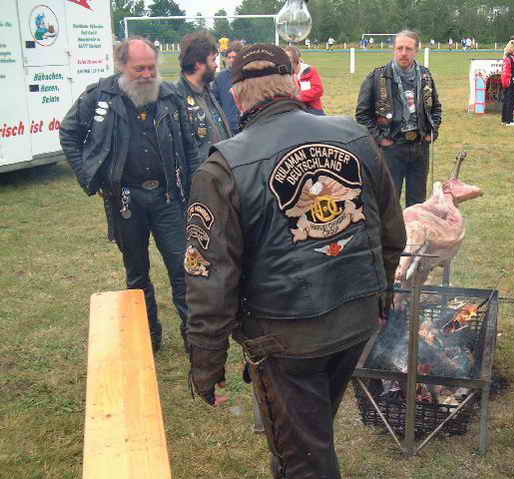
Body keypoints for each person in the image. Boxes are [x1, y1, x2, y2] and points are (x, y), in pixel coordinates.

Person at [184, 43, 406, 478]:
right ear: (292, 85)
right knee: (308, 437)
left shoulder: (223, 167)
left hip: (287, 340)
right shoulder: (354, 136)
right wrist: (380, 296)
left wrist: (206, 361)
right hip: (354, 319)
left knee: (303, 458)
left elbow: (209, 278)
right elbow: (392, 233)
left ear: (236, 96)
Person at [59, 37, 200, 352]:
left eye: (151, 67)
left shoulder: (171, 96)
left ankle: (195, 342)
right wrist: (89, 177)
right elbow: (69, 133)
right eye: (139, 69)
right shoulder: (100, 96)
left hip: (168, 198)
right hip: (124, 200)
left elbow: (189, 145)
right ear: (122, 66)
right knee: (137, 274)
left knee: (183, 270)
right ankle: (147, 339)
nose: (147, 74)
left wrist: (193, 188)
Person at [355, 30, 442, 207]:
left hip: (419, 148)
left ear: (416, 50)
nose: (403, 53)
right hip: (391, 148)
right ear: (393, 49)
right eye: (399, 48)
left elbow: (436, 108)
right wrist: (381, 139)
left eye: (408, 49)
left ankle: (414, 226)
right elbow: (362, 115)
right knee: (389, 202)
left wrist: (431, 132)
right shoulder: (377, 77)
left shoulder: (425, 76)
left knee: (417, 202)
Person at [175, 31, 231, 163]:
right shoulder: (177, 98)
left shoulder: (207, 92)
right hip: (203, 173)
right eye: (213, 60)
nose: (216, 65)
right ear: (198, 64)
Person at [211, 40, 243, 135]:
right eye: (229, 57)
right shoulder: (220, 78)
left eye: (234, 57)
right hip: (228, 128)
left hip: (246, 126)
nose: (231, 60)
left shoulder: (249, 75)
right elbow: (214, 102)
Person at [284, 45, 325, 115]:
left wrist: (298, 97)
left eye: (289, 58)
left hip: (312, 109)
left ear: (296, 59)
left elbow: (318, 90)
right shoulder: (286, 73)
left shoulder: (310, 71)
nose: (286, 61)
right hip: (294, 108)